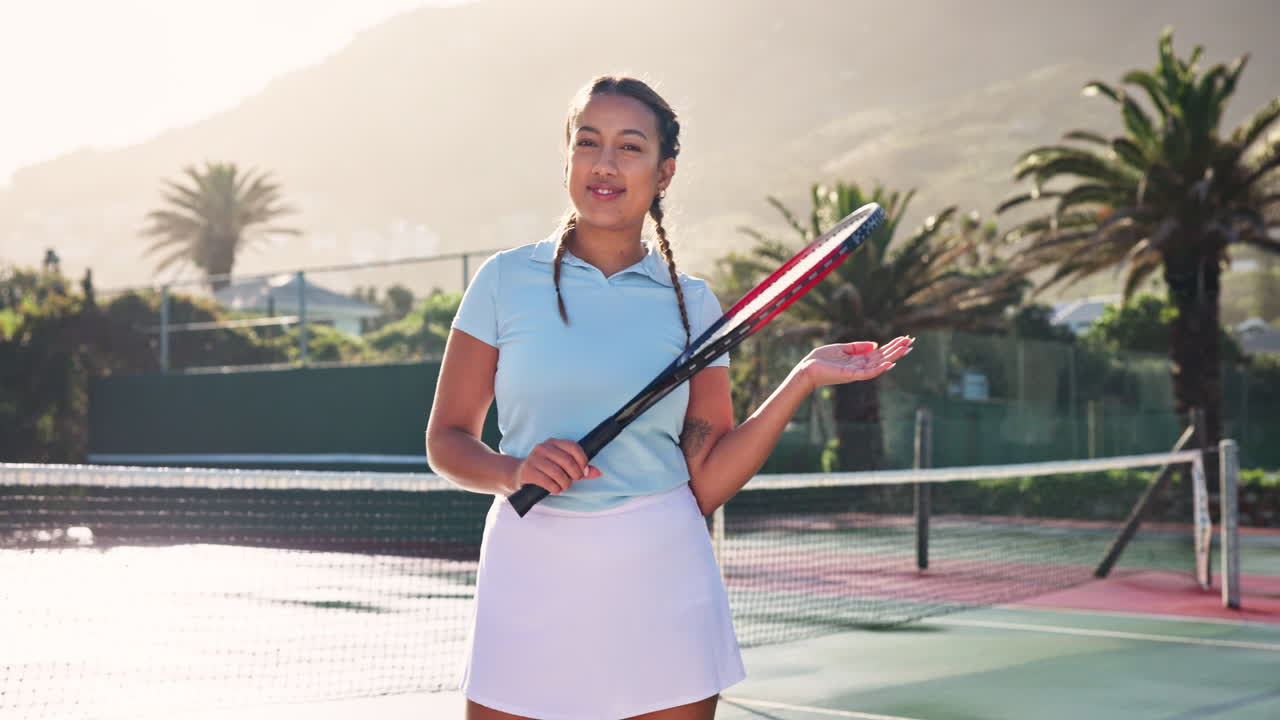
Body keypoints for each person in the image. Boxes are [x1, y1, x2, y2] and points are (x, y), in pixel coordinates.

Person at [425, 74, 913, 720]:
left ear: (664, 172)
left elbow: (704, 482)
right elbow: (447, 439)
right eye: (587, 142)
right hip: (528, 565)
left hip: (661, 570)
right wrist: (513, 471)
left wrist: (800, 380)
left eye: (630, 147)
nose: (605, 164)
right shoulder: (502, 281)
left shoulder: (695, 306)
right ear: (567, 158)